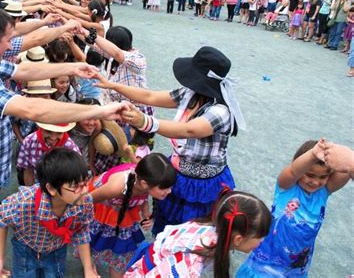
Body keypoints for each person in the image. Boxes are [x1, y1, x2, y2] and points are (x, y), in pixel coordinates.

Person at [0, 5, 129, 278]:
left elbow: (21, 72)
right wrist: (97, 111)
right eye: (8, 39)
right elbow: (34, 110)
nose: (13, 44)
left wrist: (74, 66)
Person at [96, 46, 246, 235]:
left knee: (192, 228)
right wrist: (113, 85)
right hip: (179, 170)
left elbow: (188, 130)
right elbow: (151, 96)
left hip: (202, 183)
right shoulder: (191, 93)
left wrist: (146, 122)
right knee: (168, 220)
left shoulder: (220, 111)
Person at [237, 139, 350, 277]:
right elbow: (293, 170)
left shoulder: (323, 192)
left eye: (323, 177)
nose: (315, 181)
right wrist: (313, 154)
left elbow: (347, 170)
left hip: (295, 271)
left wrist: (340, 154)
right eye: (309, 174)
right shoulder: (286, 187)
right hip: (264, 266)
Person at [0, 148, 99, 278]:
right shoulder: (24, 202)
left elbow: (81, 230)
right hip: (26, 249)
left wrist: (88, 269)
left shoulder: (84, 202)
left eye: (85, 183)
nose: (84, 191)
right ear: (51, 188)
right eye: (75, 186)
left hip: (56, 250)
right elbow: (0, 217)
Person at [125, 188, 272, 278]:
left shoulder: (206, 225)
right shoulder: (190, 266)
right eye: (260, 237)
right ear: (239, 239)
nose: (262, 242)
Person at [89, 153, 177, 277]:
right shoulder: (116, 187)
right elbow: (88, 199)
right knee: (94, 242)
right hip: (101, 210)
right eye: (165, 188)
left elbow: (144, 197)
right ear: (144, 184)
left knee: (121, 251)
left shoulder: (145, 181)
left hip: (123, 211)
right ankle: (90, 267)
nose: (169, 191)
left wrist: (145, 212)